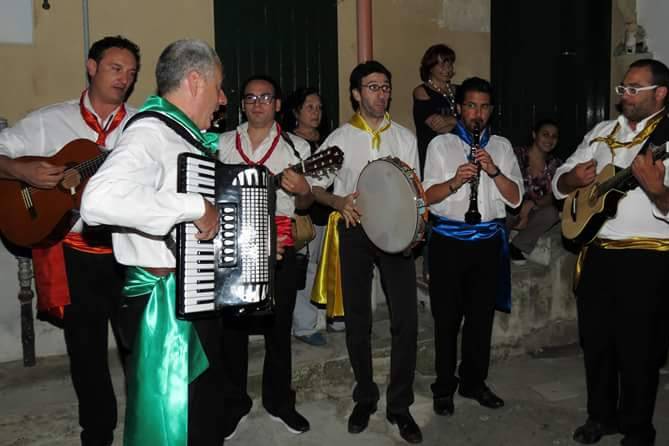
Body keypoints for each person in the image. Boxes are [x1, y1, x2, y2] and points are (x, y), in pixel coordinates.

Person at [80, 39, 227, 445]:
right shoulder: (149, 131)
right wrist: (194, 205)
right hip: (163, 305)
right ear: (195, 81)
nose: (223, 98)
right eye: (218, 86)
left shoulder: (184, 137)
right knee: (172, 423)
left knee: (201, 415)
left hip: (193, 297)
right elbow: (98, 201)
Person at [0, 35, 139, 446]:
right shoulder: (49, 121)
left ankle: (145, 427)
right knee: (86, 352)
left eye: (131, 73)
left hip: (130, 251)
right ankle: (96, 433)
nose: (124, 79)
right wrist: (21, 173)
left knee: (138, 349)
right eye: (116, 68)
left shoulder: (140, 127)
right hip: (76, 256)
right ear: (91, 67)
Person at [552, 59, 669, 446]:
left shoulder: (666, 139)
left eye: (634, 89)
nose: (625, 95)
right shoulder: (602, 131)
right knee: (597, 343)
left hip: (647, 255)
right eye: (623, 87)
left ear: (661, 94)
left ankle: (638, 429)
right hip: (597, 251)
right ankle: (600, 416)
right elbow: (560, 181)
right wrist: (573, 179)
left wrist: (658, 192)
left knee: (639, 349)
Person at [311, 60, 423, 444]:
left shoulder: (406, 138)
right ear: (356, 93)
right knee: (358, 320)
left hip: (396, 235)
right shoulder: (340, 138)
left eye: (386, 86)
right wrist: (337, 200)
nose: (382, 93)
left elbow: (415, 194)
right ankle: (365, 395)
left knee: (405, 321)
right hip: (354, 232)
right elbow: (312, 187)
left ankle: (399, 405)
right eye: (373, 87)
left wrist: (414, 232)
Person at [217, 75, 314, 439]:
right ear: (242, 104)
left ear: (277, 105)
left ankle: (279, 401)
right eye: (250, 97)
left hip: (280, 245)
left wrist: (304, 189)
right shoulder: (222, 143)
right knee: (232, 329)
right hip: (233, 245)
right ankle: (233, 403)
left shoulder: (296, 149)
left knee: (279, 326)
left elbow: (305, 203)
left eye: (265, 97)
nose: (257, 103)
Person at [423, 77, 523, 419]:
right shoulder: (441, 145)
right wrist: (455, 181)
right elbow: (425, 197)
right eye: (470, 105)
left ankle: (473, 382)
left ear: (491, 110)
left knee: (481, 320)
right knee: (447, 320)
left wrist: (493, 171)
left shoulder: (504, 146)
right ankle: (444, 387)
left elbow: (515, 199)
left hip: (488, 243)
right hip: (449, 242)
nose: (477, 113)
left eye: (483, 107)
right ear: (459, 109)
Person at [282, 87, 332, 345]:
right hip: (302, 215)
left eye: (319, 107)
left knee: (325, 267)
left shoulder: (329, 142)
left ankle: (323, 318)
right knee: (305, 269)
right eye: (310, 107)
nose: (316, 112)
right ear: (296, 112)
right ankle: (303, 325)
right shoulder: (287, 143)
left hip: (327, 213)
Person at [508, 119, 562, 265]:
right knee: (509, 209)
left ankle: (517, 246)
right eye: (545, 134)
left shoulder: (555, 165)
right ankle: (498, 242)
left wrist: (532, 204)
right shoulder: (515, 155)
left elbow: (555, 196)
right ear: (534, 135)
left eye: (554, 136)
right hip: (511, 207)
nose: (549, 139)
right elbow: (504, 185)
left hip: (534, 212)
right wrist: (520, 207)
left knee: (552, 212)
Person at [413, 43, 459, 177]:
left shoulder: (461, 91)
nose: (447, 68)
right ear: (430, 67)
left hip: (458, 154)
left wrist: (451, 120)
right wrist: (459, 121)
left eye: (449, 64)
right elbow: (438, 127)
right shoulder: (421, 91)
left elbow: (473, 123)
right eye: (441, 64)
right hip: (433, 156)